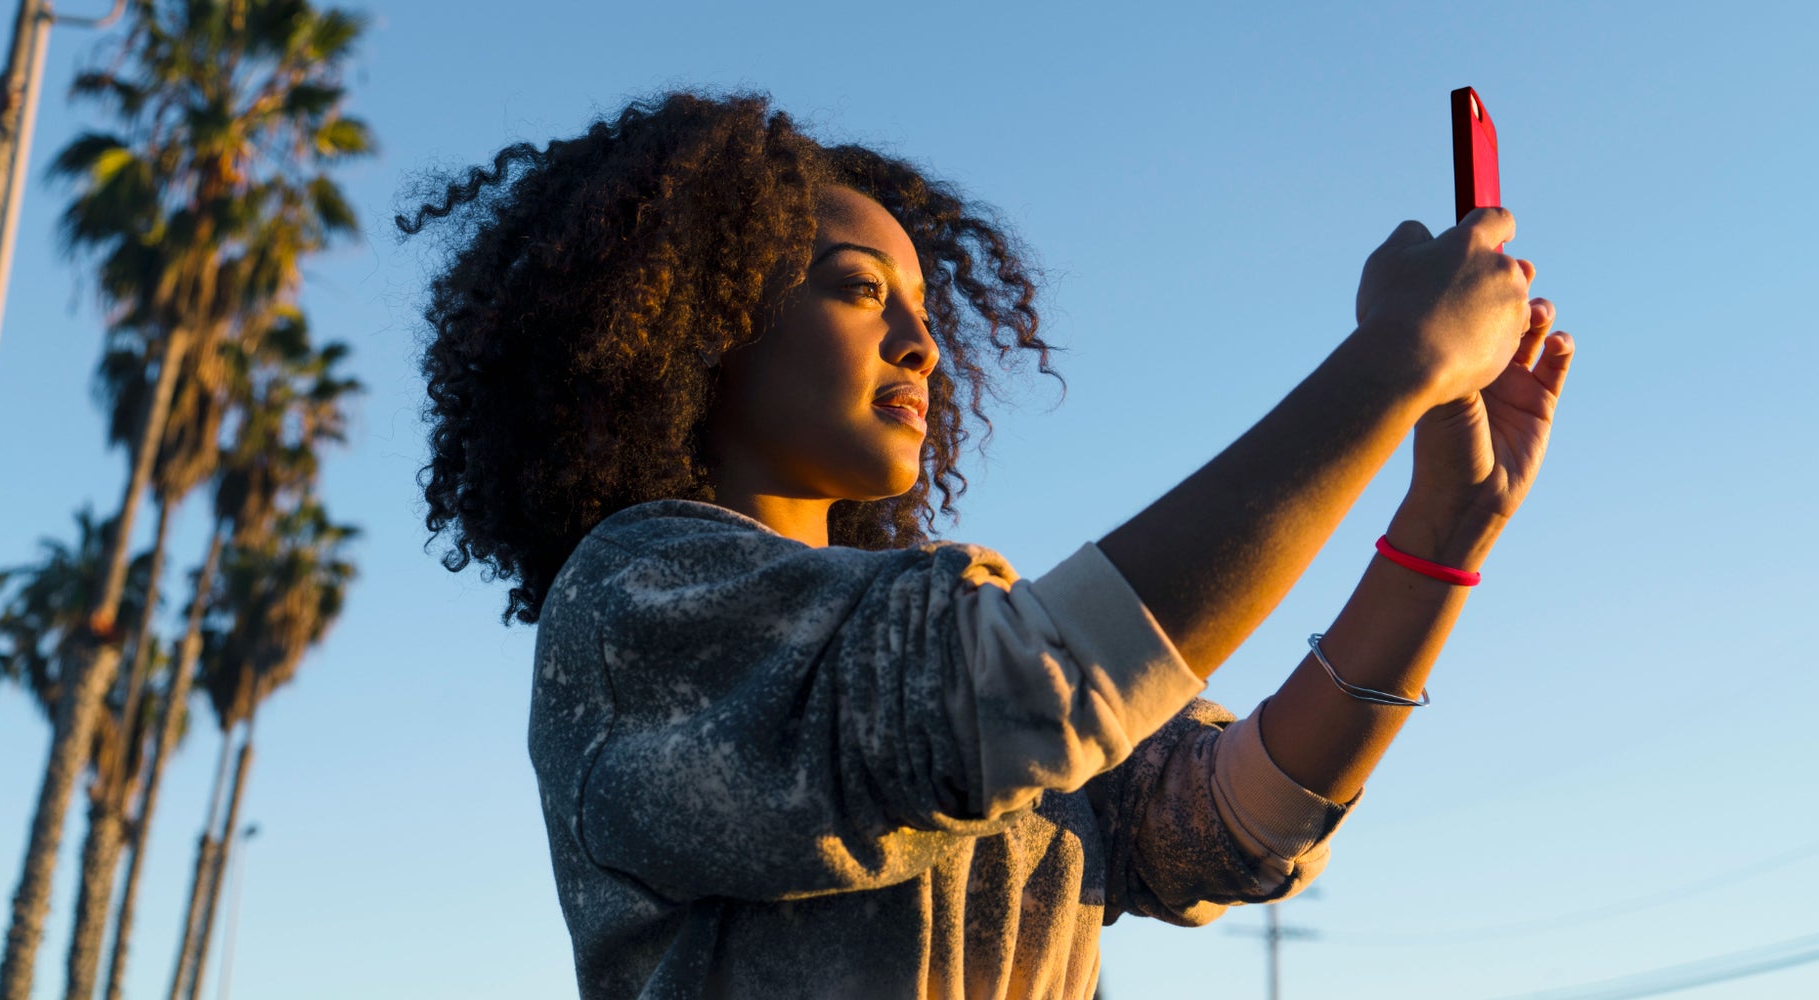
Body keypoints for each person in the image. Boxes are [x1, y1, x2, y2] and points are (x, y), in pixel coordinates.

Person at [402, 91, 1574, 1000]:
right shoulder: (636, 603)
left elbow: (1232, 822)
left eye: (922, 304)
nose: (921, 342)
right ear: (698, 321)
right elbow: (1027, 688)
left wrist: (1437, 536)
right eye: (858, 290)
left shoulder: (929, 649)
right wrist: (1387, 368)